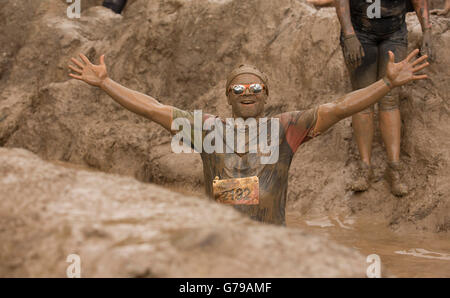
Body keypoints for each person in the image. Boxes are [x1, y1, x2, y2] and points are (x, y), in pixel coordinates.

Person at [68, 50, 429, 225]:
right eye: (238, 88)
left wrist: (386, 84)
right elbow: (152, 108)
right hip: (220, 244)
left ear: (266, 94)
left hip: (271, 246)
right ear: (227, 95)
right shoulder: (206, 128)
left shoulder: (287, 126)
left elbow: (339, 107)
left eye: (255, 87)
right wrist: (105, 82)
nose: (247, 92)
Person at [334, 0, 433, 196]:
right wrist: (349, 34)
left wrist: (427, 30)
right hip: (360, 31)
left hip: (394, 32)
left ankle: (393, 168)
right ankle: (365, 167)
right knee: (363, 99)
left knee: (390, 100)